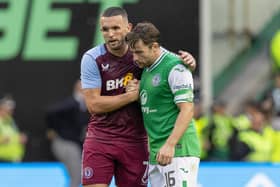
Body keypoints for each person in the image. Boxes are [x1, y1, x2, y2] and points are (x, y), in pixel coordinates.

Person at [80, 7, 196, 187]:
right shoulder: (93, 58)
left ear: (128, 28)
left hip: (136, 141)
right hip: (101, 138)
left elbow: (169, 63)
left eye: (116, 28)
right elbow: (93, 105)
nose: (110, 34)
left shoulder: (144, 51)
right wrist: (131, 96)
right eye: (105, 29)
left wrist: (189, 63)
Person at [125, 22, 200, 187]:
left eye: (139, 52)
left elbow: (187, 109)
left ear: (154, 47)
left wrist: (170, 144)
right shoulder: (147, 68)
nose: (135, 58)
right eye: (133, 53)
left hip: (177, 150)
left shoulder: (176, 67)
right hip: (156, 152)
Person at [45, 80, 89, 187]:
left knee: (77, 177)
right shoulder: (73, 103)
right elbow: (50, 111)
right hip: (65, 144)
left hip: (73, 144)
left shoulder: (82, 105)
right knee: (77, 177)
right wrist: (52, 129)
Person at [0, 94, 27, 162]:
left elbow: (16, 135)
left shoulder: (12, 121)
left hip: (14, 159)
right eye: (7, 109)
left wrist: (21, 138)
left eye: (11, 109)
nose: (10, 112)